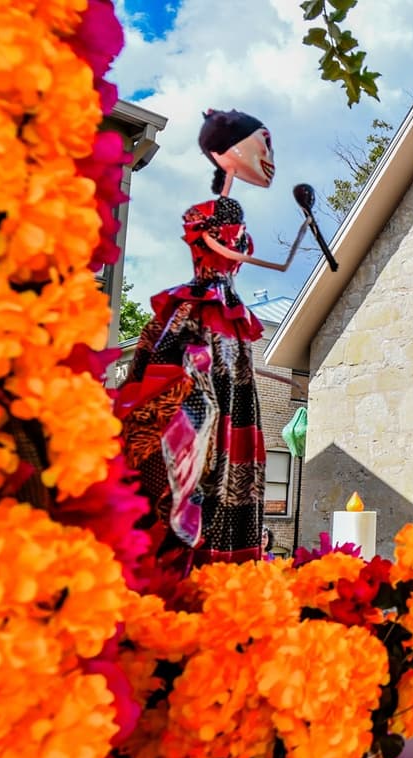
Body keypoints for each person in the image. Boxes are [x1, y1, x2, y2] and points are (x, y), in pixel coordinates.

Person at [117, 109, 308, 587]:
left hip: (228, 331)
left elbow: (254, 261)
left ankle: (210, 534)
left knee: (228, 423)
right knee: (189, 403)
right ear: (230, 151)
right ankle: (180, 508)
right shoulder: (206, 215)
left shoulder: (233, 217)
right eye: (262, 148)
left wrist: (303, 232)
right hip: (203, 317)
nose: (270, 161)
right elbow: (227, 255)